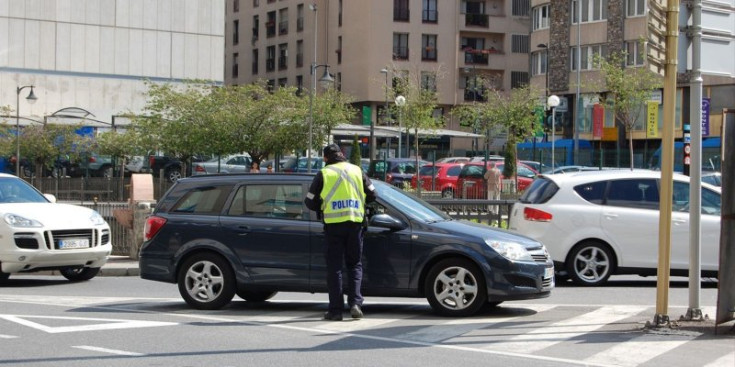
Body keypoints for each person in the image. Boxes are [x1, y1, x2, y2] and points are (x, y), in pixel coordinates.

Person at [304, 143, 377, 321]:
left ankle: (335, 311)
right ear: (342, 154)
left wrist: (322, 207)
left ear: (326, 158)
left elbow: (309, 201)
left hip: (334, 226)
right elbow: (373, 194)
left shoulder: (324, 173)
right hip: (355, 224)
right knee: (355, 265)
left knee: (334, 268)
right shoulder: (357, 170)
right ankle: (355, 304)